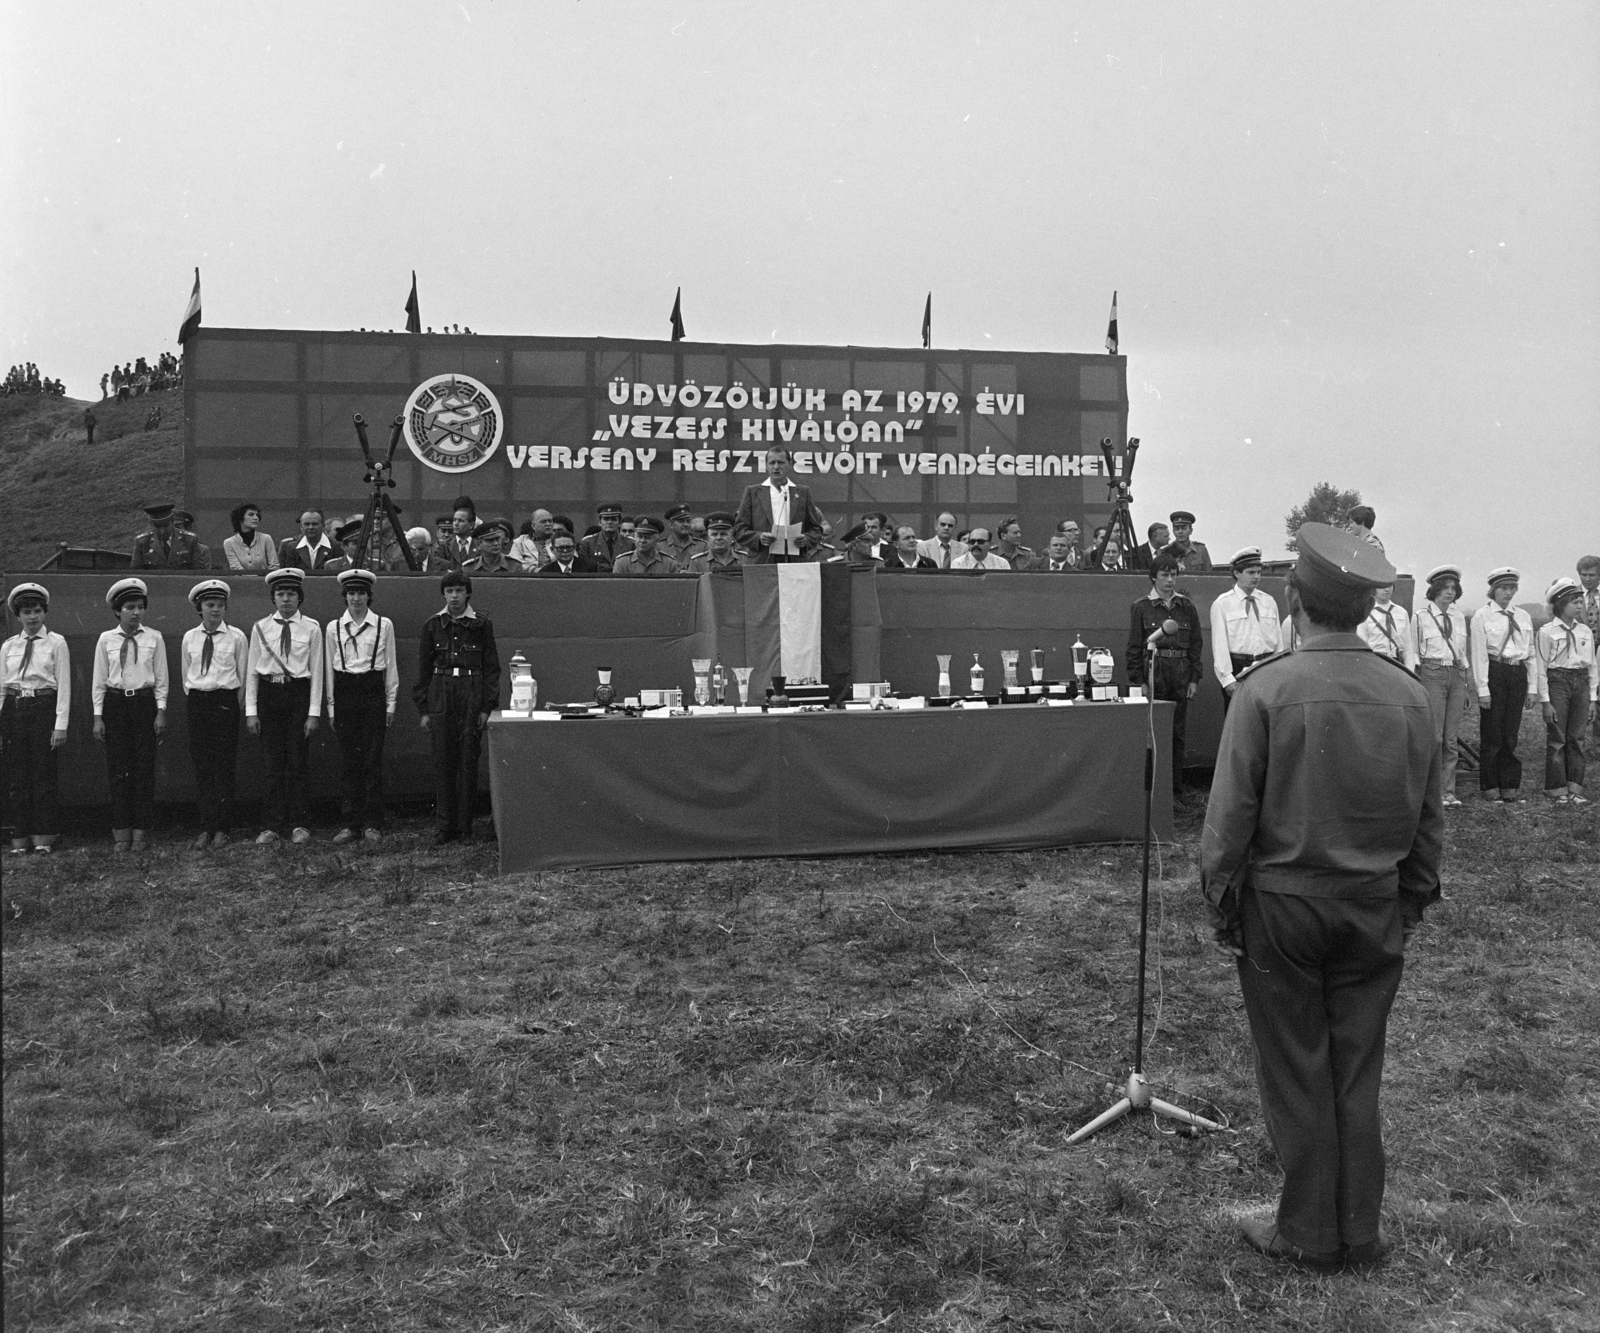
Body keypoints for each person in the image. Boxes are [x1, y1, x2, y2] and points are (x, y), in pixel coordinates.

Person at [1200, 522, 1441, 1274]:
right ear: (1366, 608)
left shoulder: (1267, 688)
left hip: (1283, 906)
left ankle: (1307, 1230)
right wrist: (1408, 902)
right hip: (1372, 905)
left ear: (1294, 600)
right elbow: (1427, 823)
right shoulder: (1409, 693)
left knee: (1297, 1064)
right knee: (1356, 1069)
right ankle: (1356, 1229)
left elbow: (1228, 820)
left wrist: (1222, 904)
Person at [415, 570, 501, 843]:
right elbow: (424, 671)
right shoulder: (433, 625)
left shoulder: (481, 625)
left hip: (471, 691)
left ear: (468, 594)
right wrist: (424, 710)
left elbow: (491, 668)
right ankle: (444, 826)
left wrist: (486, 707)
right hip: (441, 691)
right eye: (449, 591)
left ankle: (465, 826)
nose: (454, 596)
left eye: (459, 591)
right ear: (443, 595)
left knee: (467, 759)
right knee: (442, 759)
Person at [245, 566, 324, 844]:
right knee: (272, 762)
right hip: (269, 694)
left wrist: (313, 713)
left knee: (297, 761)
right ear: (273, 598)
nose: (286, 599)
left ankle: (300, 824)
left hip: (298, 695)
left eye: (291, 593)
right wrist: (252, 711)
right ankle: (271, 825)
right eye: (280, 593)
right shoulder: (260, 628)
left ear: (299, 597)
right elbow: (252, 672)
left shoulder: (312, 628)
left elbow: (317, 672)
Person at [91, 577, 168, 852]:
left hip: (144, 705)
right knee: (118, 770)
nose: (136, 613)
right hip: (115, 705)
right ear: (117, 611)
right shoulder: (106, 640)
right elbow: (99, 681)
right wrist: (98, 717)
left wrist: (160, 711)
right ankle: (121, 831)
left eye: (140, 607)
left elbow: (161, 679)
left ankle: (141, 832)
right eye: (129, 608)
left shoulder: (154, 638)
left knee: (143, 770)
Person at [325, 568, 399, 843]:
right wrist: (332, 708)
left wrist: (390, 704)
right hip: (346, 691)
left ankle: (372, 823)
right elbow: (330, 671)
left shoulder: (383, 625)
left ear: (370, 596)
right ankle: (349, 823)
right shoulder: (334, 627)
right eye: (352, 593)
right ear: (345, 597)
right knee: (349, 761)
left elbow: (390, 666)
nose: (356, 598)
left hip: (372, 691)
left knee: (372, 759)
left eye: (362, 593)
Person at [1126, 554, 1204, 793]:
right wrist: (1139, 681)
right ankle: (1155, 790)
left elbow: (1196, 644)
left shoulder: (1186, 606)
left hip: (1180, 672)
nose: (1170, 580)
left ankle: (1176, 790)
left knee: (1177, 732)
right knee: (1154, 731)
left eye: (1174, 575)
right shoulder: (1141, 607)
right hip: (1154, 671)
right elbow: (1134, 647)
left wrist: (1194, 678)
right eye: (1165, 575)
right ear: (1153, 577)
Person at [1, 583, 70, 854]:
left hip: (43, 707)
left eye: (38, 611)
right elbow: (2, 687)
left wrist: (60, 725)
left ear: (45, 613)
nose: (33, 617)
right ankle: (20, 834)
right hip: (15, 708)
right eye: (27, 612)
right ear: (18, 616)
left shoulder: (56, 643)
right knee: (18, 775)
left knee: (43, 774)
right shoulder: (9, 646)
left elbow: (63, 687)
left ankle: (44, 835)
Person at [180, 579, 248, 849]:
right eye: (210, 605)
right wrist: (201, 695)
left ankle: (223, 828)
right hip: (199, 702)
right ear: (200, 608)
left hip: (225, 702)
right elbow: (187, 675)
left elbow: (241, 676)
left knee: (224, 766)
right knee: (203, 766)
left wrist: (230, 704)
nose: (216, 610)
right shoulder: (190, 637)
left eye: (220, 605)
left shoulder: (237, 637)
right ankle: (206, 827)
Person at [1469, 568, 1536, 804]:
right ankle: (1490, 785)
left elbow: (1530, 654)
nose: (1508, 593)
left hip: (1517, 672)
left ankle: (1509, 785)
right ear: (1493, 590)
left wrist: (1532, 687)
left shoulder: (1523, 616)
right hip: (1495, 671)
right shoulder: (1482, 616)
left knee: (1510, 733)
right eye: (1503, 588)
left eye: (1511, 588)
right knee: (1492, 733)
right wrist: (1483, 690)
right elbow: (1479, 656)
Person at [1412, 565, 1471, 809]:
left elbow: (1462, 654)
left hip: (1455, 675)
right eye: (1445, 588)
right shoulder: (1420, 617)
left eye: (1453, 588)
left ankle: (1448, 791)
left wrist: (1465, 684)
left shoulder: (1458, 617)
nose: (1449, 593)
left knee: (1451, 738)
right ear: (1434, 590)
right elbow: (1414, 652)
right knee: (1434, 736)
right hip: (1432, 673)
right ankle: (1431, 791)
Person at [1534, 578, 1596, 804]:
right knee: (1557, 738)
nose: (1579, 606)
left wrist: (1592, 699)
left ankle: (1575, 788)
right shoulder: (1546, 632)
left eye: (1580, 602)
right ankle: (1557, 789)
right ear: (1560, 605)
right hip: (1557, 682)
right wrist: (1545, 701)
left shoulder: (1585, 632)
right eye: (1574, 602)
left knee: (1577, 738)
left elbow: (1592, 666)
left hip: (1580, 683)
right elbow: (1541, 667)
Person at [1210, 547, 1283, 710]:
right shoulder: (1223, 604)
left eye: (1259, 572)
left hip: (1267, 668)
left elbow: (1278, 641)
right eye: (1251, 572)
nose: (1256, 577)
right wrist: (1228, 680)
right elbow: (1219, 645)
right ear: (1237, 573)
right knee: (1239, 726)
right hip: (1239, 670)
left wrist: (1279, 675)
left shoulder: (1269, 601)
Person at [735, 447, 827, 562]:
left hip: (795, 560)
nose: (776, 467)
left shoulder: (803, 492)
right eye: (772, 463)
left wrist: (806, 539)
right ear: (766, 466)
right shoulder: (752, 492)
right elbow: (739, 530)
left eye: (781, 462)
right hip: (763, 560)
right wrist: (759, 537)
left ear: (789, 464)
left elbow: (816, 529)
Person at [131, 502, 205, 570]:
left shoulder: (189, 540)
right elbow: (135, 572)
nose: (162, 531)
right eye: (158, 526)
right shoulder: (142, 542)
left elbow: (198, 571)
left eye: (166, 526)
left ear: (172, 522)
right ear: (151, 524)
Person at [1358, 585, 1415, 668]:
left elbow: (1408, 647)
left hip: (1398, 663)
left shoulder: (1401, 612)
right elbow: (1363, 646)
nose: (1387, 589)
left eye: (1390, 585)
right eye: (1382, 586)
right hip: (1376, 662)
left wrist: (1410, 671)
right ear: (1373, 588)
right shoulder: (1365, 612)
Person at [612, 517, 681, 576]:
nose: (642, 540)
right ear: (635, 537)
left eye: (647, 537)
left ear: (656, 539)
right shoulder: (622, 562)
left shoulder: (669, 563)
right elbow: (616, 589)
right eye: (640, 537)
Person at [223, 502, 280, 572]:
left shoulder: (266, 538)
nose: (256, 518)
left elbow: (274, 566)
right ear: (240, 518)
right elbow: (236, 569)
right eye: (251, 515)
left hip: (265, 580)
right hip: (241, 581)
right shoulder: (229, 543)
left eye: (257, 515)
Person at [581, 503, 634, 568]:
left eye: (613, 519)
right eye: (606, 519)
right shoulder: (588, 543)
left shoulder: (631, 544)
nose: (609, 522)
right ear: (599, 522)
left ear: (620, 523)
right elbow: (584, 569)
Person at [537, 530, 605, 575]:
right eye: (561, 548)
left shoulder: (589, 567)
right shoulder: (546, 572)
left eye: (569, 547)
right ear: (552, 550)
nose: (565, 551)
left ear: (575, 547)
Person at [442, 496, 478, 567]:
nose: (456, 524)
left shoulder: (480, 545)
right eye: (454, 520)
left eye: (461, 521)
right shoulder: (444, 546)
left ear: (471, 525)